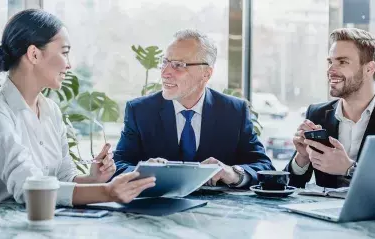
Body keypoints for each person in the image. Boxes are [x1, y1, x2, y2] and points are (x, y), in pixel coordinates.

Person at [0, 9, 155, 209]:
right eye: (64, 52)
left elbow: (64, 178)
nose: (69, 65)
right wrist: (107, 192)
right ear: (34, 54)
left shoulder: (51, 110)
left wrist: (93, 178)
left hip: (43, 223)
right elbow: (29, 187)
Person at [112, 29, 274, 188]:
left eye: (178, 65)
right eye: (165, 62)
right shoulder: (140, 110)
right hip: (157, 210)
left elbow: (264, 166)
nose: (165, 73)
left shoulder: (234, 111)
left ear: (206, 74)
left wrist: (233, 173)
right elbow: (117, 166)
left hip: (218, 211)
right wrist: (143, 172)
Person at [286, 28, 375, 189]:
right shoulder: (318, 114)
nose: (330, 70)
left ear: (369, 69)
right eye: (330, 62)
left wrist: (350, 169)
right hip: (323, 212)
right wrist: (302, 158)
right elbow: (291, 185)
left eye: (342, 62)